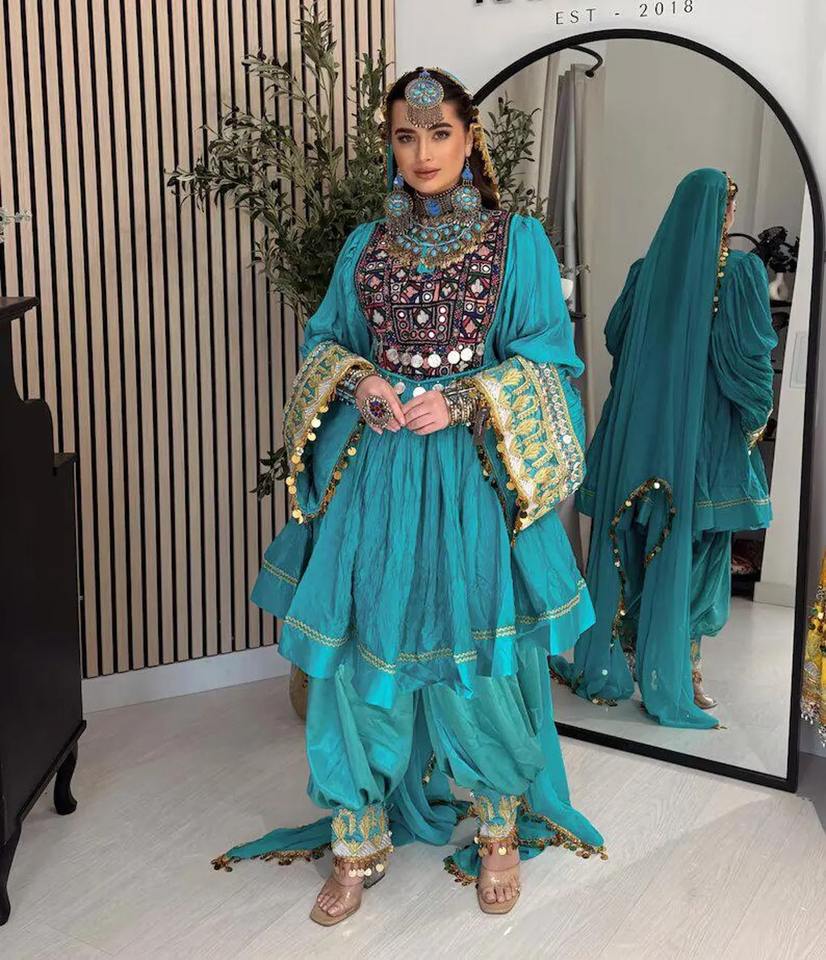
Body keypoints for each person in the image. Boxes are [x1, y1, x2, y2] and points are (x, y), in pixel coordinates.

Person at [211, 66, 604, 925]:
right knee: (363, 647)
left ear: (469, 140)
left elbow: (550, 359)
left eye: (439, 133)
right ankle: (357, 835)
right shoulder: (366, 246)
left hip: (468, 475)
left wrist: (465, 398)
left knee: (477, 651)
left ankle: (497, 827)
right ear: (390, 145)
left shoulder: (517, 242)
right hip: (379, 473)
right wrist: (358, 383)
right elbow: (324, 340)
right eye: (404, 135)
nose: (422, 152)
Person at [552, 169, 776, 729]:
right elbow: (748, 360)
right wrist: (755, 421)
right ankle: (683, 667)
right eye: (729, 207)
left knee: (636, 535)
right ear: (723, 213)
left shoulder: (645, 270)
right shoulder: (739, 271)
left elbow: (616, 338)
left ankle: (634, 650)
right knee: (700, 544)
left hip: (639, 431)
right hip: (704, 435)